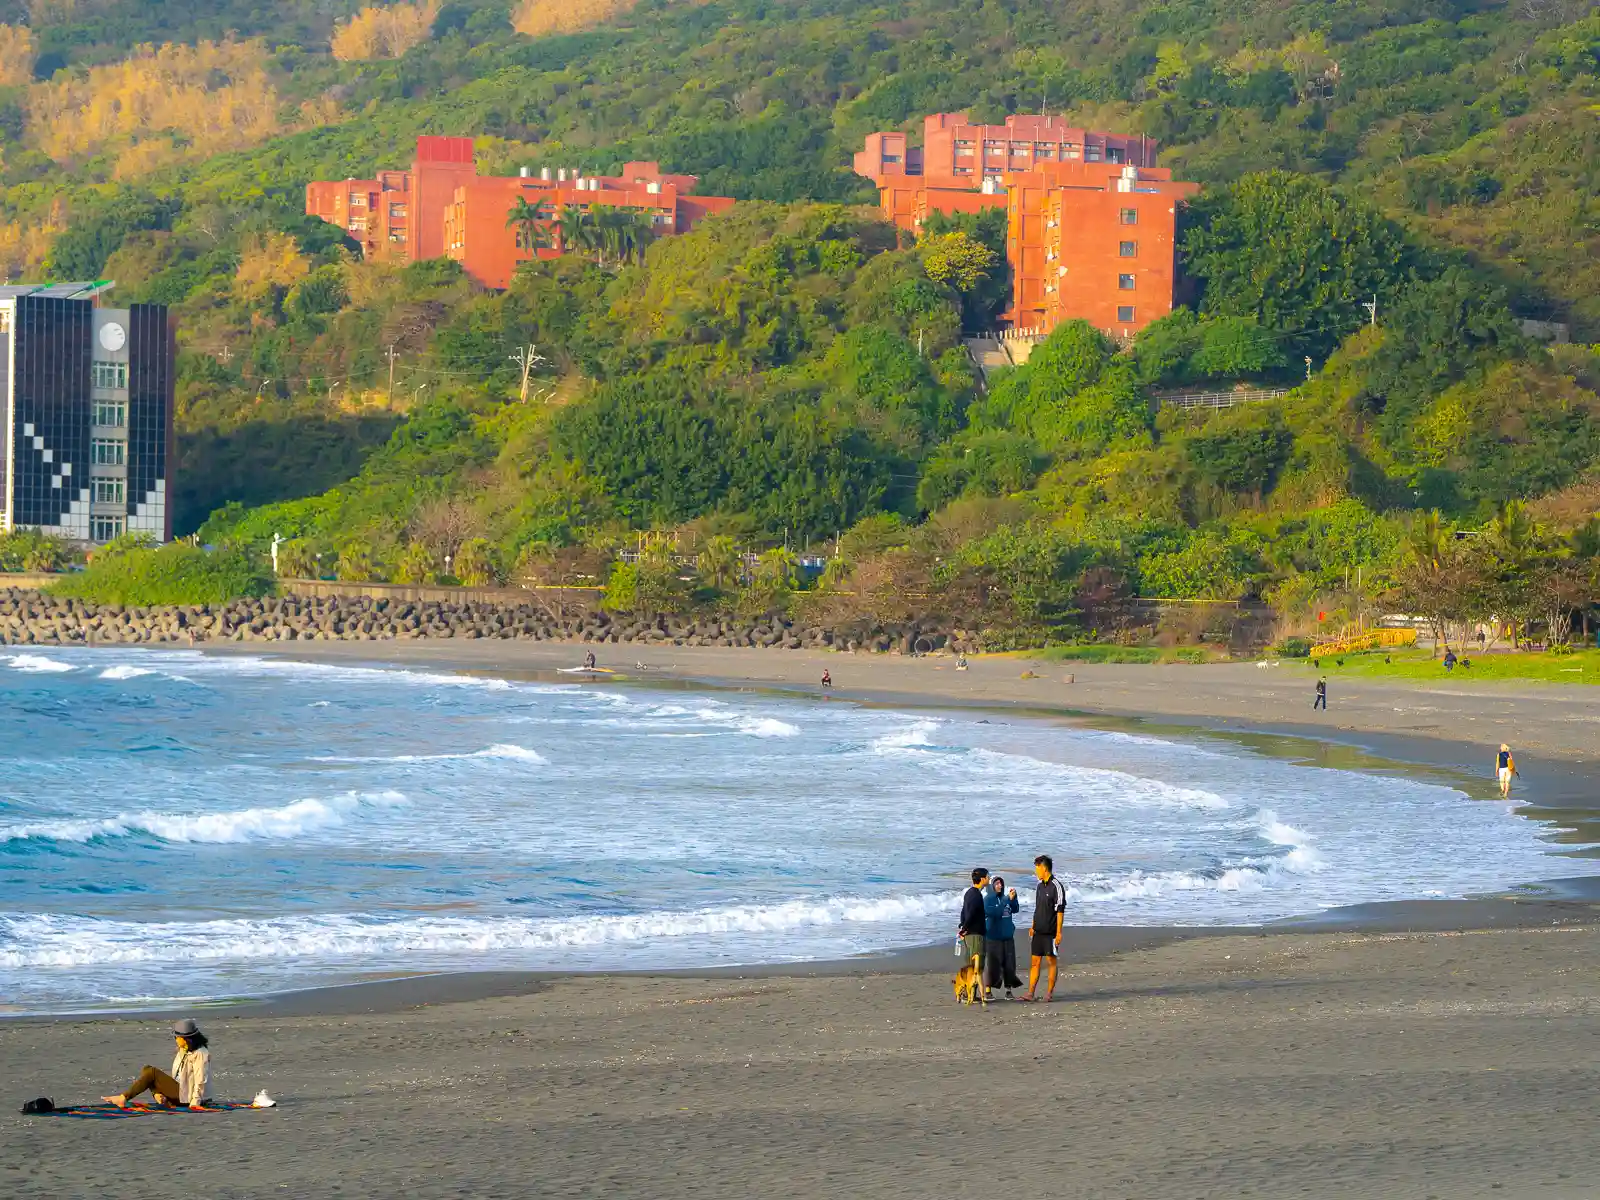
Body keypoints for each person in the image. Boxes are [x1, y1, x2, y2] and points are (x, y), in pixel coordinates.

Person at [102, 1019, 210, 1110]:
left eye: (177, 1037)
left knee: (152, 1072)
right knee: (147, 1068)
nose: (175, 1039)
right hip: (181, 1092)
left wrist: (194, 1103)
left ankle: (123, 1098)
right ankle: (158, 1096)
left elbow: (201, 1081)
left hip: (189, 1097)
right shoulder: (184, 1050)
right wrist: (158, 1092)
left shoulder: (200, 1053)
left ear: (186, 1038)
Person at [1024, 855, 1065, 1003]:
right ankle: (1030, 993)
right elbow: (1037, 908)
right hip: (1038, 931)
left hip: (1051, 933)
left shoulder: (1057, 886)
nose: (1036, 872)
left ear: (1044, 868)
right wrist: (1033, 926)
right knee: (1034, 962)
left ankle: (1049, 993)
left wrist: (1059, 933)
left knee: (1051, 962)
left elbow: (1060, 910)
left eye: (1037, 868)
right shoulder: (1039, 885)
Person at [983, 875, 1023, 999]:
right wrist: (1006, 899)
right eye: (997, 883)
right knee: (992, 964)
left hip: (1007, 936)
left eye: (1001, 883)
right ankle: (988, 990)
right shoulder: (988, 899)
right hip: (993, 937)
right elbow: (995, 913)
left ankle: (1008, 990)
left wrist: (1013, 899)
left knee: (1009, 964)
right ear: (991, 886)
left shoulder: (1005, 898)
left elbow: (1015, 909)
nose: (999, 886)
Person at [957, 867, 990, 998]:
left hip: (970, 933)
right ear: (982, 879)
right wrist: (964, 928)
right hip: (975, 934)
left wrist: (963, 926)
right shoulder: (976, 894)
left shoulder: (969, 892)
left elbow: (963, 912)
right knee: (977, 965)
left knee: (970, 963)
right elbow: (970, 914)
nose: (989, 878)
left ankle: (969, 993)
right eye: (988, 876)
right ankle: (970, 994)